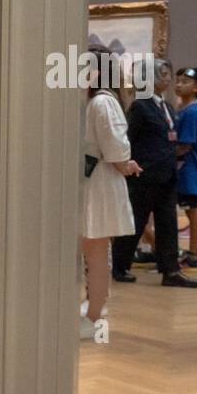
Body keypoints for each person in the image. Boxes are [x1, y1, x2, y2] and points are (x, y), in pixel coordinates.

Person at [111, 58, 197, 288]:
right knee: (135, 223)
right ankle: (120, 266)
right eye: (163, 74)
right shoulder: (141, 106)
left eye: (168, 74)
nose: (169, 79)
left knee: (168, 224)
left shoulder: (167, 106)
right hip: (144, 176)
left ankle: (170, 271)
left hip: (167, 176)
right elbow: (128, 139)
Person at [81, 47, 141, 335]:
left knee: (96, 251)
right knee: (95, 251)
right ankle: (93, 307)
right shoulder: (96, 101)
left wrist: (125, 164)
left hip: (98, 183)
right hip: (94, 181)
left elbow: (115, 150)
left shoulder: (102, 102)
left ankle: (94, 315)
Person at [173, 68, 197, 270]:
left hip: (188, 170)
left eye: (185, 81)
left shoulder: (193, 111)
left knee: (193, 212)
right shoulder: (180, 109)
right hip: (180, 170)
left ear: (196, 87)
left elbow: (186, 144)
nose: (179, 84)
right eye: (177, 81)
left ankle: (193, 254)